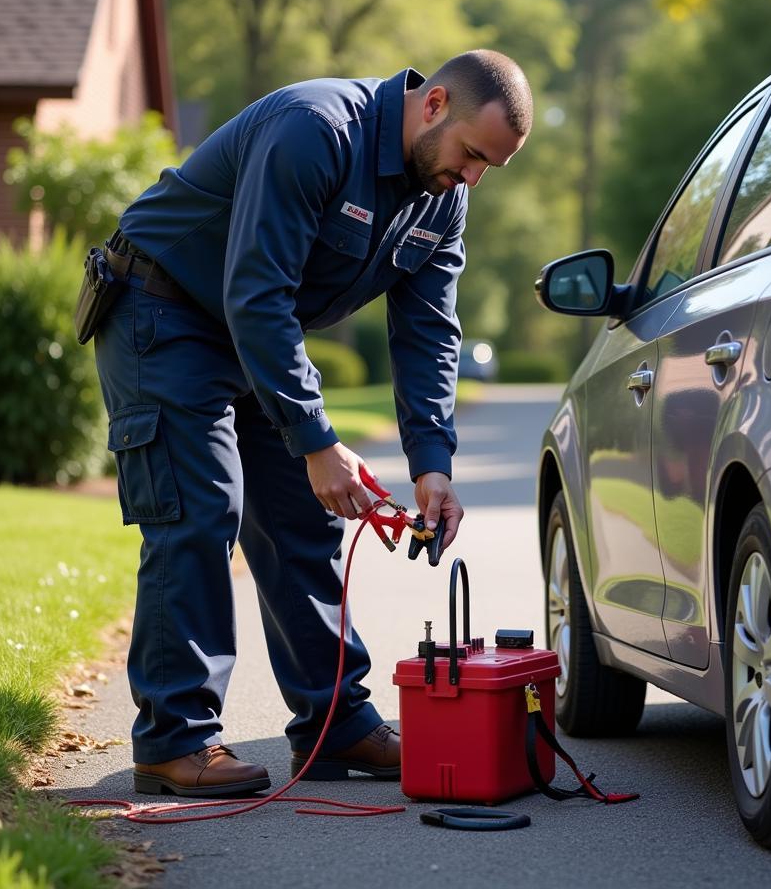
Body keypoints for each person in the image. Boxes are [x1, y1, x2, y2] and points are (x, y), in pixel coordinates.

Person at [89, 50, 532, 797]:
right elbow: (256, 290)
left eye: (489, 167)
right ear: (435, 106)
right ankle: (174, 741)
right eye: (471, 156)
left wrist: (433, 464)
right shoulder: (315, 130)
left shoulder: (442, 198)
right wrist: (317, 440)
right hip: (163, 309)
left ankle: (336, 726)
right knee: (200, 509)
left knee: (305, 519)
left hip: (255, 334)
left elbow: (428, 333)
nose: (472, 179)